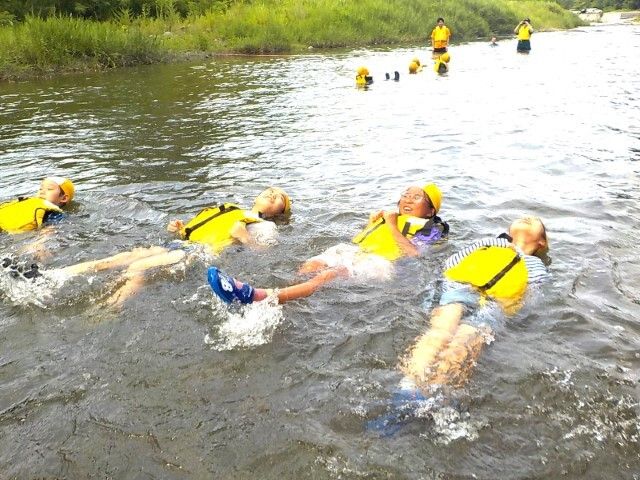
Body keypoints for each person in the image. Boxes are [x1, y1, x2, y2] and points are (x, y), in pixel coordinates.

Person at [41, 187, 291, 306]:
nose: (272, 193)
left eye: (278, 197)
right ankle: (50, 276)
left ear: (280, 212)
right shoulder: (231, 208)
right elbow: (199, 229)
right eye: (269, 190)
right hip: (179, 243)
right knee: (116, 260)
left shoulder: (266, 226)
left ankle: (103, 312)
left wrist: (244, 237)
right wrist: (179, 228)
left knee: (137, 270)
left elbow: (264, 255)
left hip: (196, 252)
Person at [208, 184, 449, 305]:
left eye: (416, 197)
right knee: (311, 265)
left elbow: (415, 255)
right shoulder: (388, 218)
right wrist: (372, 224)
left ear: (430, 210)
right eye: (405, 195)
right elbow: (365, 240)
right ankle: (284, 298)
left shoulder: (432, 228)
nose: (407, 199)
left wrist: (393, 226)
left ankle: (259, 297)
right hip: (356, 251)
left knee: (330, 275)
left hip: (383, 264)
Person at [399, 216, 549, 390]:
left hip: (496, 304)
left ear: (542, 242)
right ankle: (409, 385)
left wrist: (509, 316)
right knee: (441, 330)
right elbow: (451, 264)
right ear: (509, 232)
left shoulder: (537, 265)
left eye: (535, 222)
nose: (527, 218)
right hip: (459, 286)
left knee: (464, 342)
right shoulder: (489, 243)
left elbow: (531, 296)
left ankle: (436, 391)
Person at [0, 177, 75, 233]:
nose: (42, 192)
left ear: (64, 198)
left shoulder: (54, 214)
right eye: (41, 189)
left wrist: (39, 243)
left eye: (49, 189)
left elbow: (50, 229)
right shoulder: (29, 203)